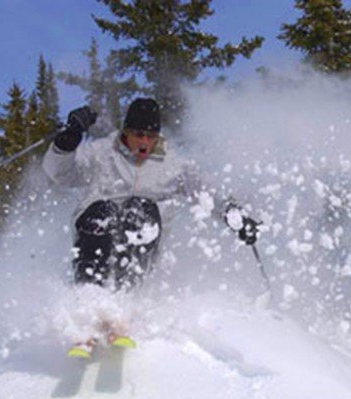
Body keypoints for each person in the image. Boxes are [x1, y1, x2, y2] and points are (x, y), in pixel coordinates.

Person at [43, 98, 260, 292]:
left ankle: (125, 300)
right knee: (103, 211)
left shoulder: (173, 164)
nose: (145, 142)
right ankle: (89, 296)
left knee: (140, 209)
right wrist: (66, 143)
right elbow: (61, 175)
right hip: (95, 230)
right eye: (138, 135)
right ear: (125, 132)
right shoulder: (101, 152)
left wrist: (235, 216)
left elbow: (206, 193)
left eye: (151, 136)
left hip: (142, 238)